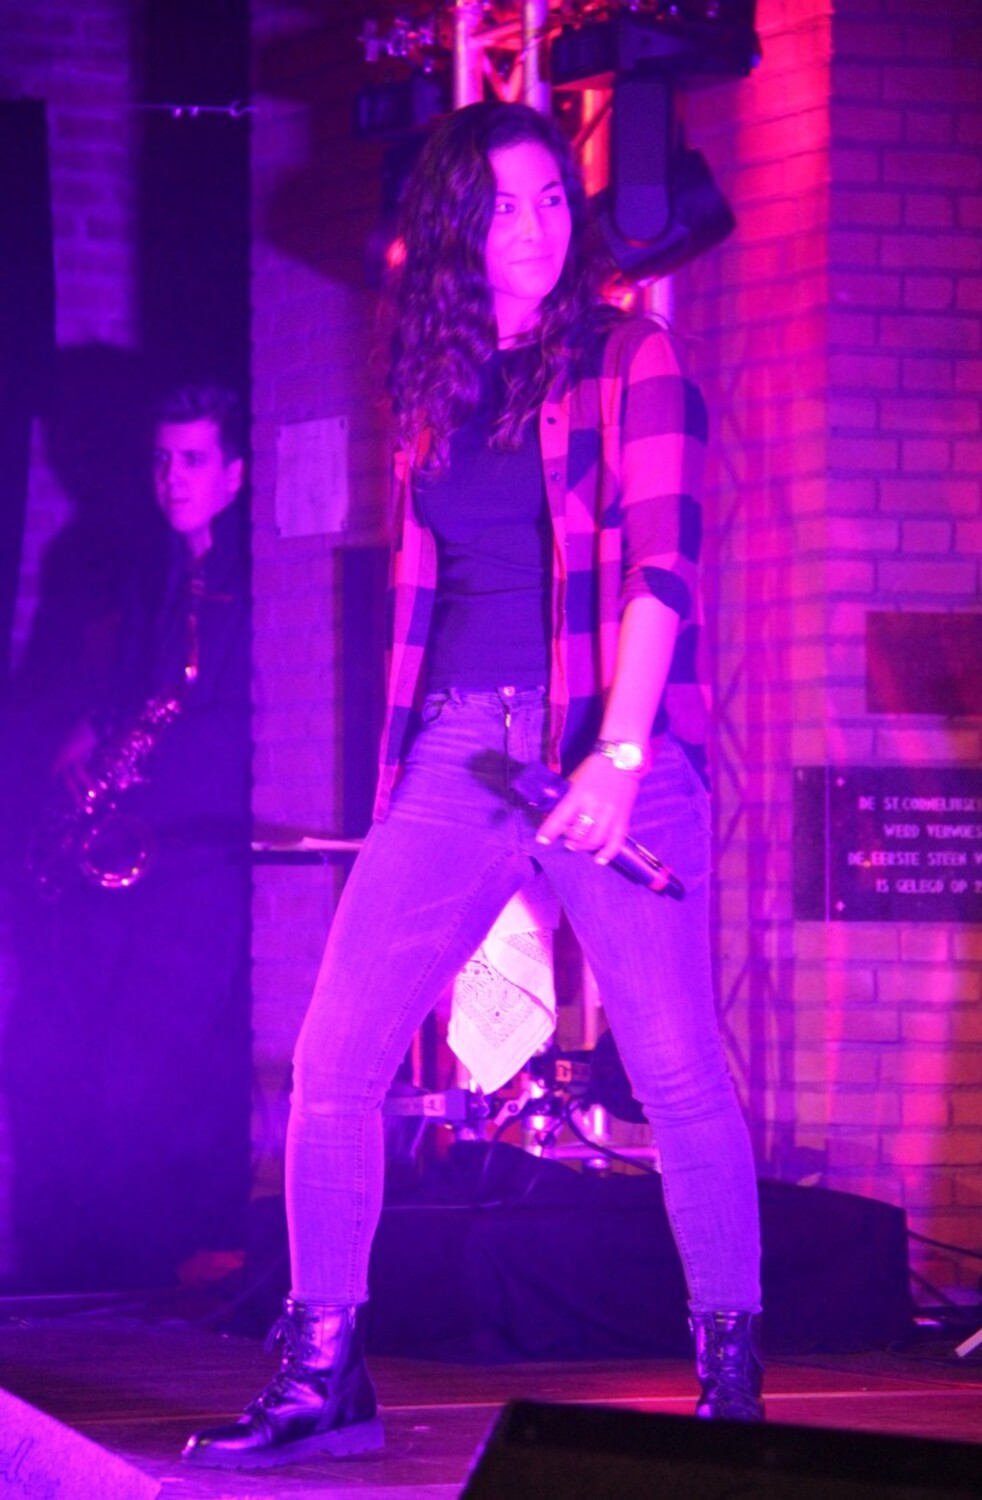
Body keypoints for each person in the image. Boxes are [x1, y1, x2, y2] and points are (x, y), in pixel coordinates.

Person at [183, 101, 762, 1471]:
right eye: (504, 206)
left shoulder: (632, 355)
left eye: (553, 198)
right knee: (335, 1060)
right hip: (462, 749)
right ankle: (325, 1376)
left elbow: (665, 564)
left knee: (676, 1066)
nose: (537, 227)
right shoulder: (434, 377)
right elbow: (426, 591)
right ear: (455, 224)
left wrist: (619, 753)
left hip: (611, 743)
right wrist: (409, 774)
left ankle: (730, 1376)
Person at [9, 384, 252, 1292]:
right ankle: (105, 1271)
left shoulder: (247, 577)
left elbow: (219, 717)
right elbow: (134, 685)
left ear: (234, 475)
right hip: (141, 850)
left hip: (201, 851)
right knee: (93, 1059)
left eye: (192, 460)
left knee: (151, 1071)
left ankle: (159, 1274)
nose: (171, 478)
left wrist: (135, 757)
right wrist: (94, 729)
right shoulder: (157, 571)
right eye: (161, 459)